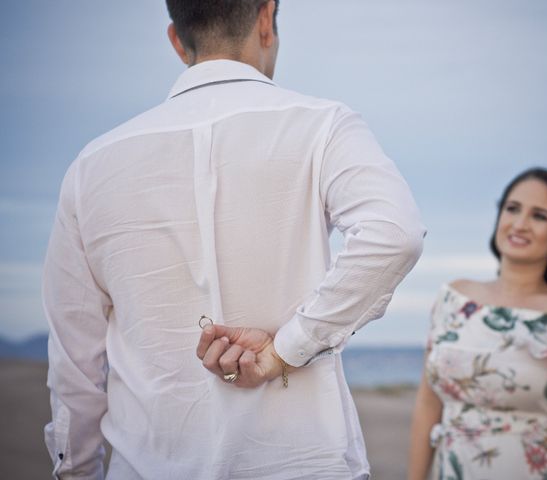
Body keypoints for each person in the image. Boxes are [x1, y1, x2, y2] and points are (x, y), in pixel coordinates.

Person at [42, 1, 425, 479]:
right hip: (304, 464)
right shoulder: (323, 125)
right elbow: (394, 234)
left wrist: (75, 471)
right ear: (266, 18)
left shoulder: (91, 168)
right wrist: (287, 348)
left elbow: (75, 367)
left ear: (177, 40)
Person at [408, 167, 547, 480]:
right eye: (513, 208)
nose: (520, 224)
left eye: (539, 216)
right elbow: (428, 404)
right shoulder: (453, 299)